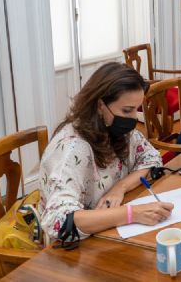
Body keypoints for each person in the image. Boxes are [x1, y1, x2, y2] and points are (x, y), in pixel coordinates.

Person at [39, 62, 173, 243]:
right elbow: (59, 221)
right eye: (127, 110)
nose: (134, 118)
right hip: (76, 249)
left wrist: (120, 187)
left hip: (106, 232)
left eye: (137, 109)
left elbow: (150, 158)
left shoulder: (117, 128)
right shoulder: (73, 148)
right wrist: (132, 213)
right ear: (100, 105)